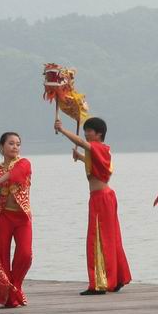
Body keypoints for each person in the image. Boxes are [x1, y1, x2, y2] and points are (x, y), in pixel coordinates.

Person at [55, 117, 132, 295]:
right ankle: (116, 277)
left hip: (101, 198)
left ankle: (99, 283)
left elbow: (81, 143)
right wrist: (81, 158)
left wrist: (63, 130)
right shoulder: (102, 150)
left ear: (99, 134)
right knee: (110, 237)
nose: (86, 134)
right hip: (103, 197)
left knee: (97, 239)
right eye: (86, 131)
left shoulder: (97, 146)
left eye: (89, 131)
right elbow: (99, 166)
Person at [0, 132, 33, 308]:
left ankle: (16, 288)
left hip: (22, 217)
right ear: (1, 146)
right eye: (11, 143)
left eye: (18, 144)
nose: (15, 147)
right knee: (1, 256)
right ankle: (4, 297)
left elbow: (16, 175)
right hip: (3, 216)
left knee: (25, 255)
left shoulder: (24, 163)